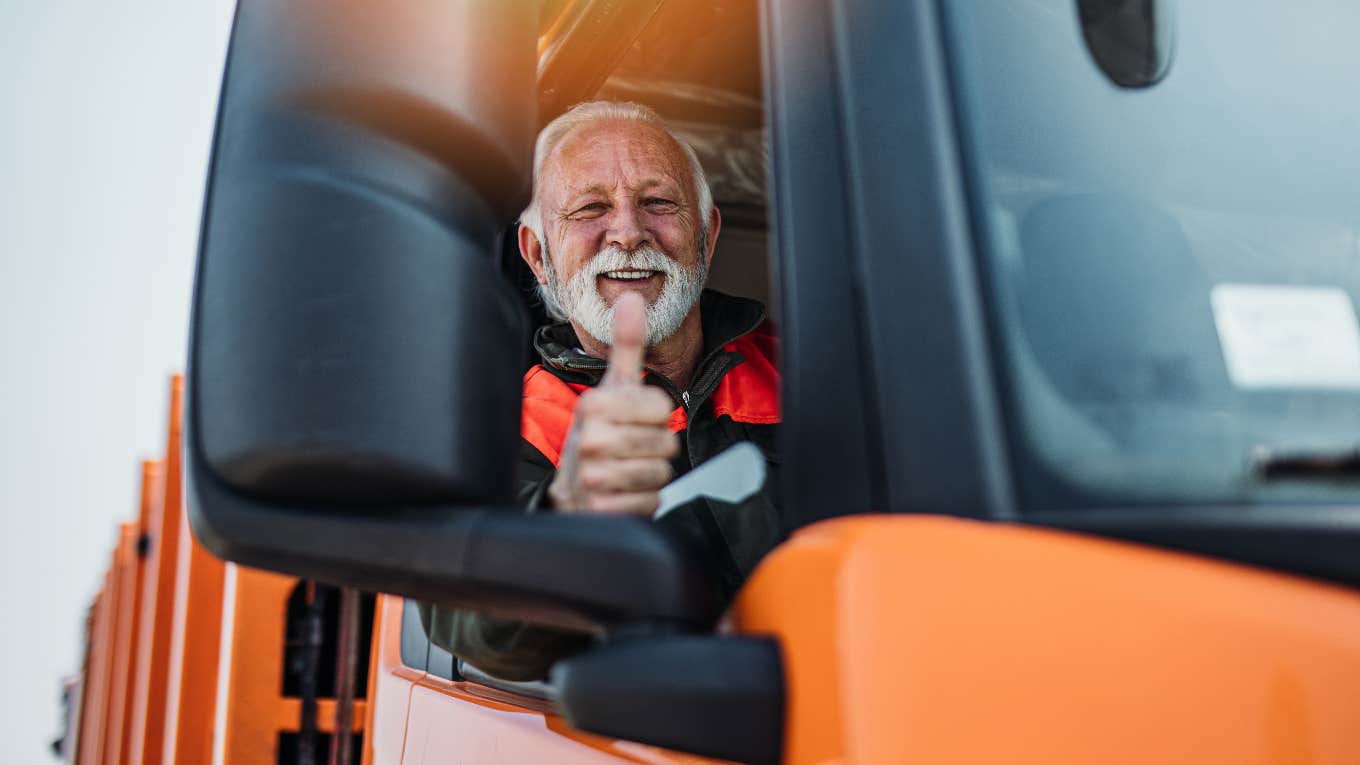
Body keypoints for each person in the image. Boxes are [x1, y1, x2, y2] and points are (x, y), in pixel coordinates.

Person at [423, 101, 782, 681]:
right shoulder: (501, 434)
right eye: (590, 208)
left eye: (659, 202)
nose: (627, 232)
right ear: (539, 255)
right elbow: (472, 624)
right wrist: (567, 516)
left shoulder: (816, 373)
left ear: (706, 237)